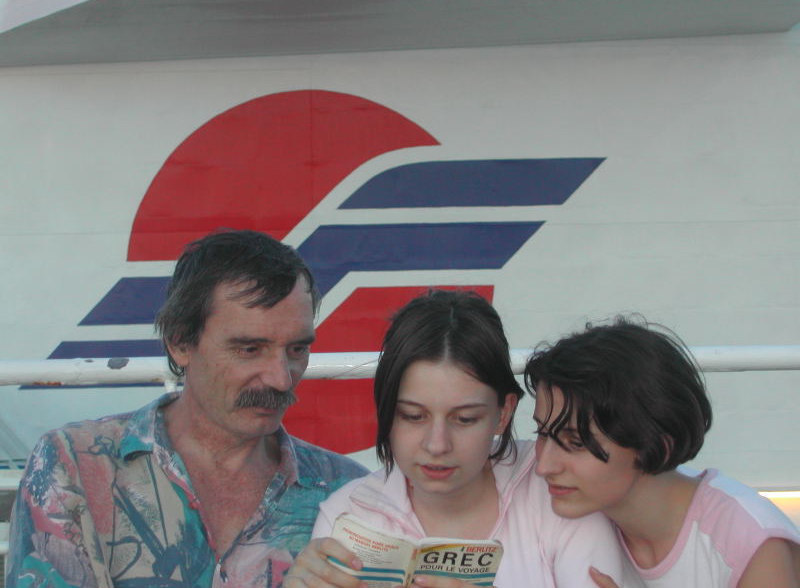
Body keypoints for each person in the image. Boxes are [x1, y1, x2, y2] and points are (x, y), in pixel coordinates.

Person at [6, 229, 368, 588]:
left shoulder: (347, 492)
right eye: (249, 349)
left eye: (297, 349)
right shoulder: (74, 464)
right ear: (180, 343)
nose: (281, 379)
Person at [285, 290, 630, 588]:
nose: (437, 445)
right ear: (387, 411)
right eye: (413, 416)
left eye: (465, 419)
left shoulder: (556, 490)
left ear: (504, 413)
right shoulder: (349, 514)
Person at [524, 317, 800, 588]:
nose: (544, 466)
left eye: (576, 442)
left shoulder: (745, 540)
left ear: (656, 443)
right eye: (543, 434)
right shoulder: (572, 512)